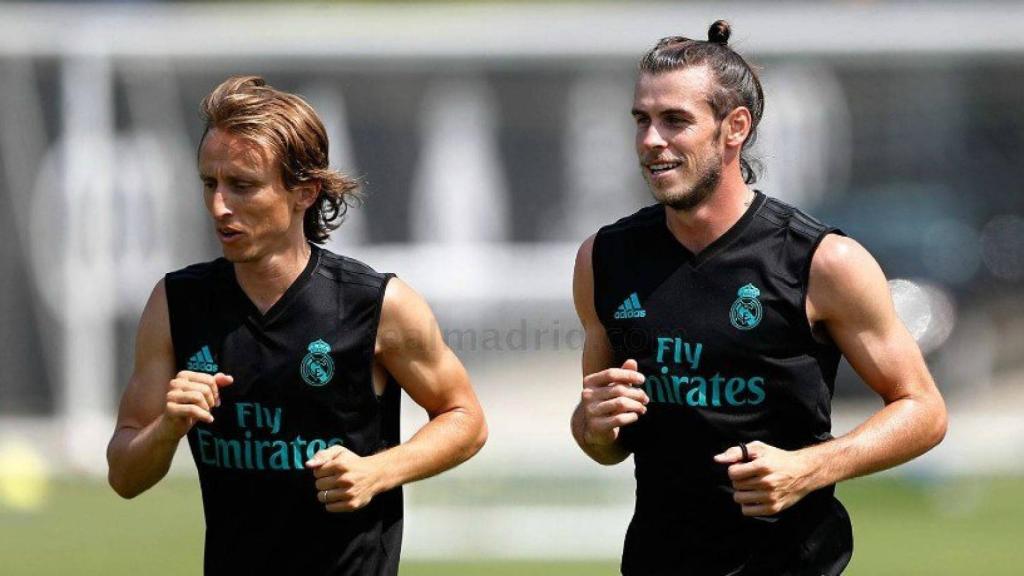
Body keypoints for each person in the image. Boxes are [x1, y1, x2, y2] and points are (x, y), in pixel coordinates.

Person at [570, 21, 947, 575]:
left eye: (675, 120)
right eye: (642, 120)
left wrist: (810, 468)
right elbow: (605, 444)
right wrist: (593, 423)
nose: (652, 140)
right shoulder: (603, 258)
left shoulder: (821, 261)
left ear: (734, 128)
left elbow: (924, 411)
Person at [107, 76, 487, 576]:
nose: (220, 206)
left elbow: (466, 419)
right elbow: (124, 475)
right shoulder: (177, 303)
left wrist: (377, 471)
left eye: (242, 186)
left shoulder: (375, 303)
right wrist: (168, 428)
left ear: (303, 192)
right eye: (209, 183)